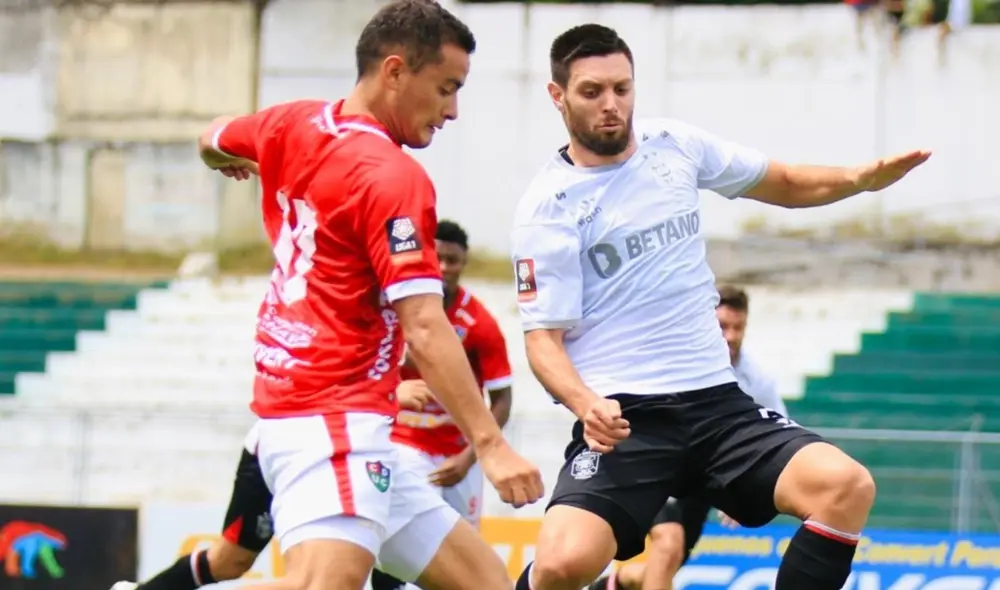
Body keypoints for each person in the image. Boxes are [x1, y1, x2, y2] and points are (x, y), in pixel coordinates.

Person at [114, 3, 545, 590]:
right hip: (333, 418)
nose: (453, 110)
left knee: (488, 585)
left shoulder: (289, 124)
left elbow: (210, 136)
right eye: (446, 88)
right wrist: (491, 445)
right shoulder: (392, 177)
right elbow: (422, 324)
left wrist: (226, 158)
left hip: (327, 414)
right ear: (395, 72)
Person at [510, 23, 930, 590]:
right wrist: (586, 403)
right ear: (557, 96)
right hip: (627, 419)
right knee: (562, 567)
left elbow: (780, 180)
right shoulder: (547, 208)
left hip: (717, 406)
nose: (611, 105)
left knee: (846, 485)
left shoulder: (674, 146)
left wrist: (857, 179)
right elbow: (542, 342)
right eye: (592, 92)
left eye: (622, 88)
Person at [589, 285, 790, 590]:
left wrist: (750, 487)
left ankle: (615, 583)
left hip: (699, 483)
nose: (732, 336)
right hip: (658, 467)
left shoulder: (755, 380)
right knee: (669, 545)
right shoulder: (677, 361)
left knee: (668, 563)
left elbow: (780, 434)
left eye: (739, 327)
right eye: (723, 326)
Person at [371, 219, 515, 590]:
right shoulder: (398, 309)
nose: (447, 268)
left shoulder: (480, 323)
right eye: (441, 258)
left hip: (459, 456)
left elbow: (501, 398)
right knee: (402, 540)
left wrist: (469, 457)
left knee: (465, 565)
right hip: (406, 446)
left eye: (455, 260)